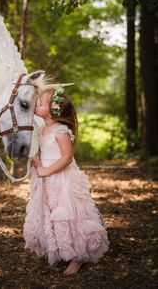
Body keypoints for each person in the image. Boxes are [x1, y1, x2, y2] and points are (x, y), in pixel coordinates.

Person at [24, 86, 109, 275]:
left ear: (54, 109)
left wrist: (46, 170)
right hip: (44, 179)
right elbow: (40, 149)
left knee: (67, 214)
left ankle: (77, 256)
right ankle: (58, 248)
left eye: (39, 103)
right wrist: (36, 159)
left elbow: (66, 158)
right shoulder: (42, 129)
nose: (35, 105)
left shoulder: (61, 131)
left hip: (61, 179)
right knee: (50, 212)